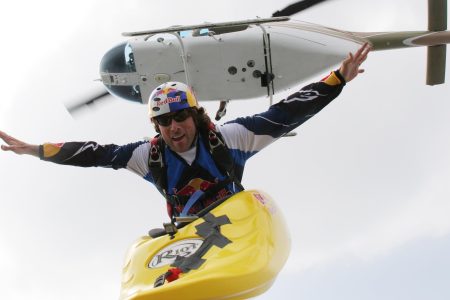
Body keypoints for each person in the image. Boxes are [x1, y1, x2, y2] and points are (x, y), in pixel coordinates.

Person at [0, 43, 371, 219]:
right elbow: (95, 153)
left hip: (237, 220)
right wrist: (34, 149)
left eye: (180, 117)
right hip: (189, 232)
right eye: (164, 121)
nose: (173, 127)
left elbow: (286, 114)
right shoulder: (149, 156)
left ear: (196, 116)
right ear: (156, 125)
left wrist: (337, 78)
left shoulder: (230, 138)